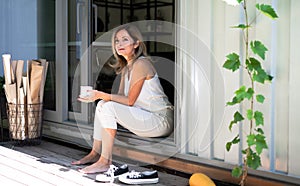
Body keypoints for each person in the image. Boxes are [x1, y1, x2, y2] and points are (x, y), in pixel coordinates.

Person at [72, 24, 174, 174]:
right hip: (143, 115)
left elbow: (130, 101)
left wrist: (100, 94)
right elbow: (118, 98)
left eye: (125, 40)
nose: (119, 44)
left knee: (106, 105)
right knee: (103, 104)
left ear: (136, 43)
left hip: (160, 120)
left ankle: (105, 162)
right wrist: (96, 96)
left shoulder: (141, 63)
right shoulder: (127, 67)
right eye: (117, 41)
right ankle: (95, 153)